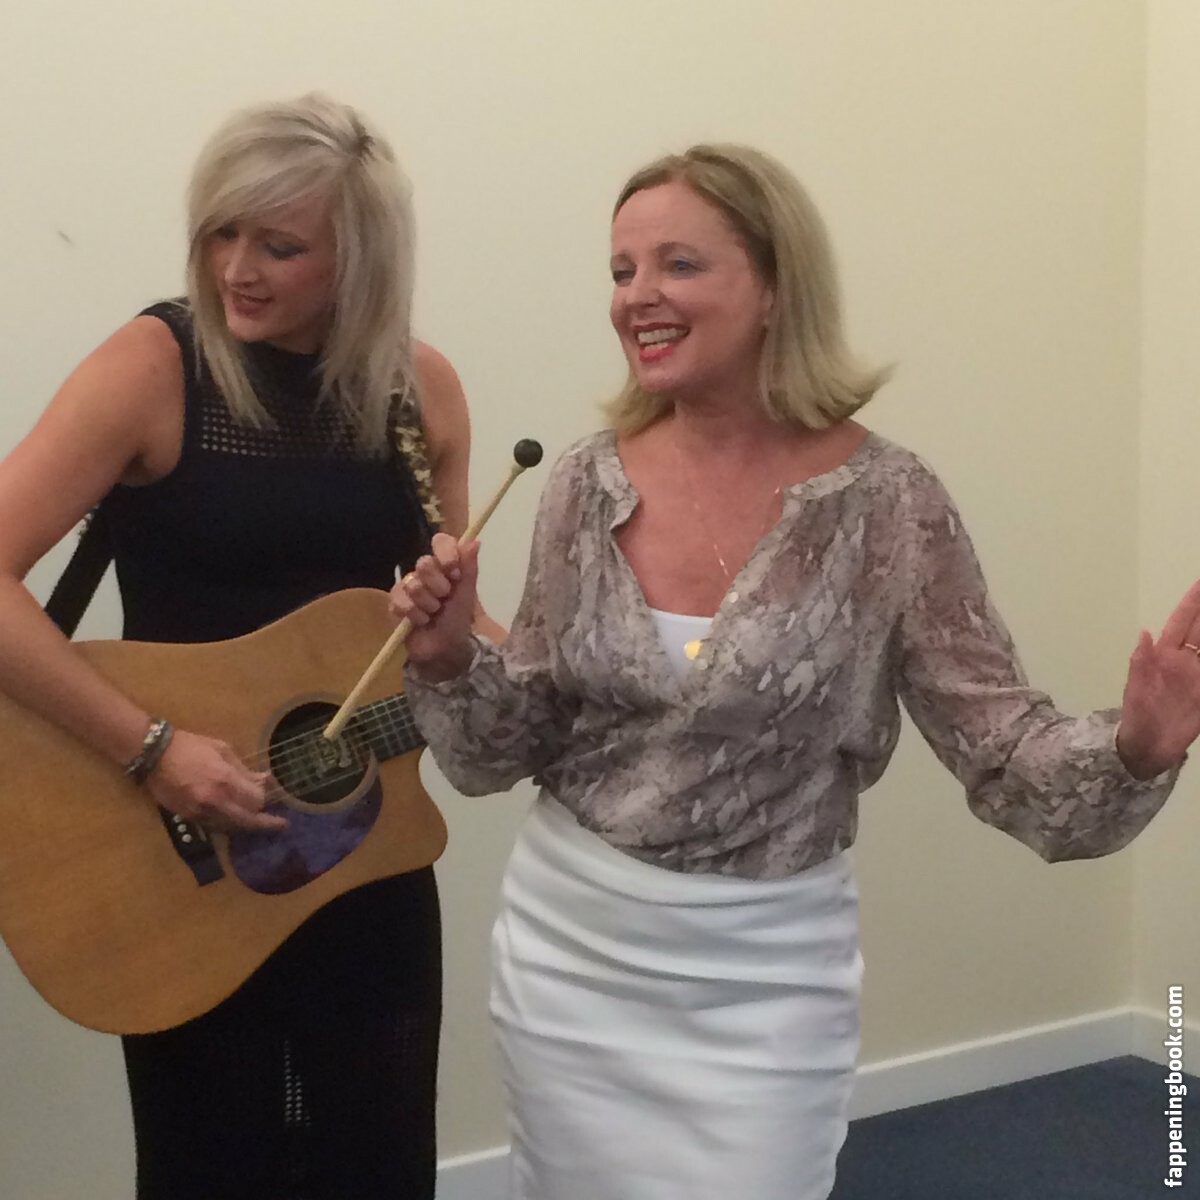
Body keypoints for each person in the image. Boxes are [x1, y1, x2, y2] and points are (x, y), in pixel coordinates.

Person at [390, 143, 1200, 1200]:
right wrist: (450, 654)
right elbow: (512, 744)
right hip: (571, 956)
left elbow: (1002, 751)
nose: (637, 296)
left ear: (776, 287)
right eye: (622, 270)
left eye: (679, 264)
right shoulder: (583, 484)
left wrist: (1135, 747)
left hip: (765, 979)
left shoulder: (890, 504)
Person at [0, 94, 491, 1198]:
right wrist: (152, 749)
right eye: (221, 232)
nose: (237, 269)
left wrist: (506, 649)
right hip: (182, 861)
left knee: (378, 1162)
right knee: (209, 1166)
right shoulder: (155, 366)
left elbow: (447, 637)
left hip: (362, 857)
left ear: (359, 259)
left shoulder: (421, 392)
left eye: (279, 245)